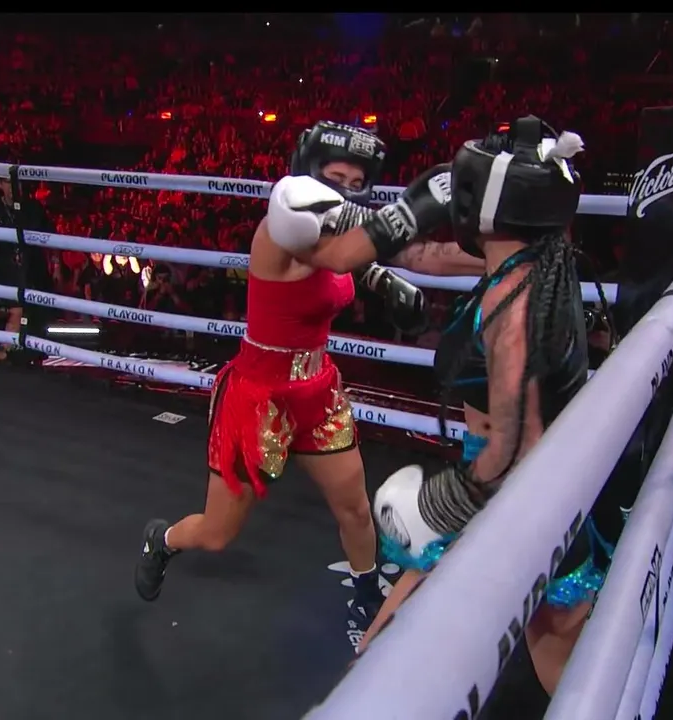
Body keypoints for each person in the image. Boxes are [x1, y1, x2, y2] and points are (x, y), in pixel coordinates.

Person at [133, 121, 485, 640]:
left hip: (317, 391)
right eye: (335, 178)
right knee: (217, 533)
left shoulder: (342, 237)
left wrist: (507, 254)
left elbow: (392, 256)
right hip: (259, 396)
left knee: (356, 509)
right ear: (308, 173)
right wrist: (417, 209)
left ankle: (366, 596)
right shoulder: (279, 230)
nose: (345, 190)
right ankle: (162, 540)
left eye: (356, 182)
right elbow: (336, 249)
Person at [361, 116, 603, 706]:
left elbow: (518, 444)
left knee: (390, 659)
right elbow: (427, 256)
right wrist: (359, 224)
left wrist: (439, 507)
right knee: (567, 669)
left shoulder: (512, 303)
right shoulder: (529, 261)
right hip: (530, 483)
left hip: (508, 489)